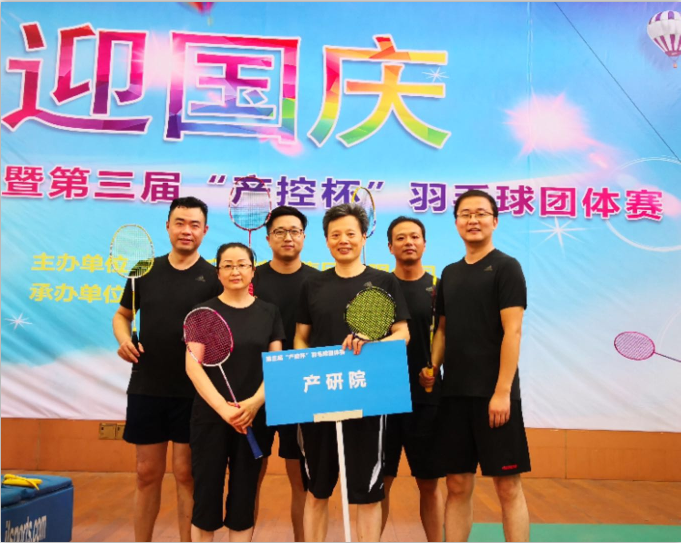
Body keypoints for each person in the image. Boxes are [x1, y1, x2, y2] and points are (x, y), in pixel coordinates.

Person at [294, 203, 410, 542]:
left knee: (368, 492)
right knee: (317, 490)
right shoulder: (312, 285)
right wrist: (313, 365)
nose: (343, 240)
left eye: (350, 233)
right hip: (321, 397)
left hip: (367, 397)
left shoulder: (384, 281)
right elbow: (300, 338)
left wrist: (372, 343)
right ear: (326, 241)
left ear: (363, 237)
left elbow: (403, 334)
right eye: (335, 235)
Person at [420, 189, 530, 542]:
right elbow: (443, 331)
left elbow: (513, 331)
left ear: (494, 221)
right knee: (456, 484)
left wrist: (502, 392)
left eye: (481, 213)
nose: (473, 220)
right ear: (456, 223)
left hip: (495, 396)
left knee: (507, 486)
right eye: (465, 214)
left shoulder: (507, 267)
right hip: (454, 395)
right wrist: (432, 367)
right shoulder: (450, 273)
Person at [112, 196, 222, 542]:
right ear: (168, 226)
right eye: (180, 223)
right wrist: (124, 340)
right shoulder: (144, 270)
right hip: (148, 386)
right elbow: (122, 316)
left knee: (186, 474)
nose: (186, 230)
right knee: (146, 473)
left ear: (205, 230)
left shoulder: (214, 277)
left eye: (194, 225)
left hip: (194, 391)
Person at [186, 242, 285, 542]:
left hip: (253, 418)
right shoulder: (203, 313)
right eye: (227, 265)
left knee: (244, 497)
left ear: (253, 271)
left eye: (242, 264)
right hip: (211, 419)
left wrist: (253, 404)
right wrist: (223, 409)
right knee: (206, 498)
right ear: (218, 273)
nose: (235, 271)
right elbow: (193, 366)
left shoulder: (269, 312)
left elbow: (276, 367)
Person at [252, 206, 320, 542]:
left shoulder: (319, 282)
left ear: (304, 237)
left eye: (294, 231)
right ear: (268, 239)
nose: (288, 237)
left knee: (302, 482)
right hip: (255, 393)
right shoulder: (250, 278)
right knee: (250, 477)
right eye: (280, 231)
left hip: (301, 393)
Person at [381, 216, 445, 542]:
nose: (409, 242)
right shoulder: (378, 289)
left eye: (415, 236)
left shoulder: (438, 289)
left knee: (429, 484)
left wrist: (433, 366)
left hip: (427, 398)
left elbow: (446, 335)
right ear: (390, 246)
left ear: (424, 243)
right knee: (380, 483)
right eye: (401, 237)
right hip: (382, 399)